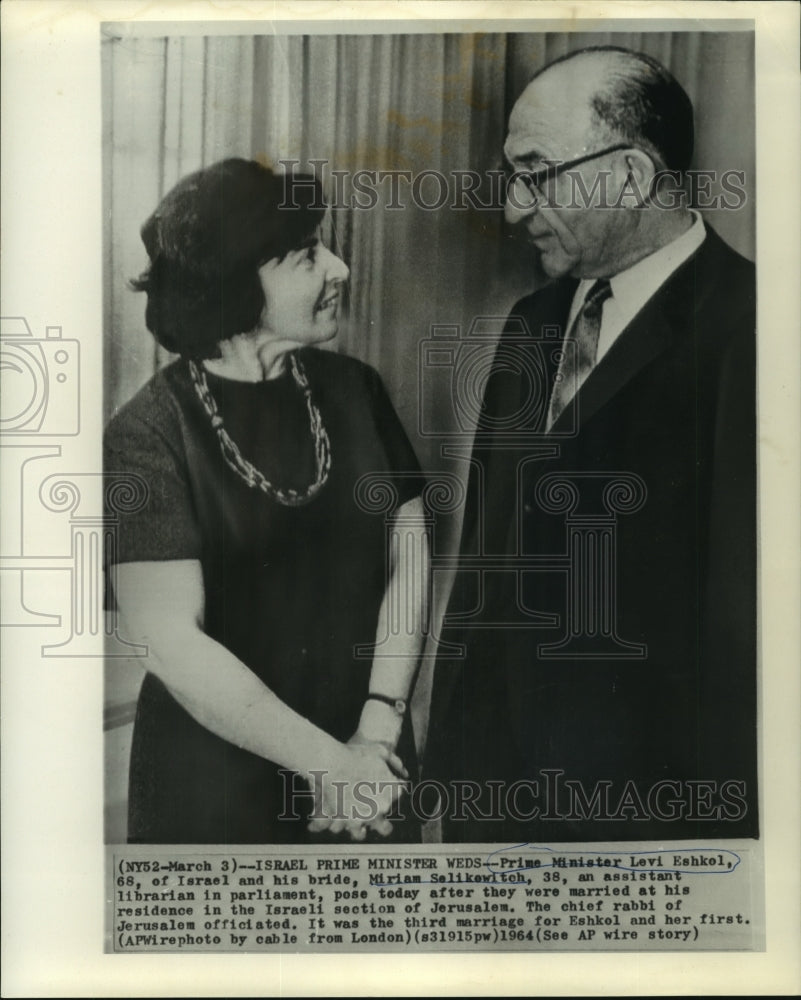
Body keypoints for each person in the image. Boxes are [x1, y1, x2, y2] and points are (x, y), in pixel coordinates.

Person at [426, 46, 757, 842]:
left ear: (633, 175)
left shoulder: (752, 328)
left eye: (536, 172)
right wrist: (447, 773)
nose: (512, 208)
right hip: (493, 806)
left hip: (649, 822)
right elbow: (484, 561)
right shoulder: (531, 324)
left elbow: (746, 628)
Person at [104, 158, 428, 844]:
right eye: (309, 255)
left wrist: (377, 725)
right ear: (233, 285)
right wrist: (331, 767)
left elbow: (408, 554)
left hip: (369, 753)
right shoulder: (147, 434)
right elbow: (172, 644)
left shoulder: (355, 390)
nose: (339, 268)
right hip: (217, 781)